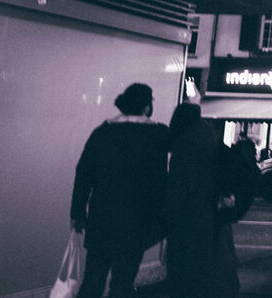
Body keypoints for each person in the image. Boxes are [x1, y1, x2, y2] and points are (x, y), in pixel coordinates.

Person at [70, 83, 169, 298]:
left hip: (101, 219)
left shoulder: (102, 132)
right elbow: (162, 180)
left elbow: (84, 174)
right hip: (136, 223)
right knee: (123, 283)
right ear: (146, 106)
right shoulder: (159, 135)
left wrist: (78, 212)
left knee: (93, 281)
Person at [166, 103, 239, 297]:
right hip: (214, 217)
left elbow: (178, 191)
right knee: (214, 268)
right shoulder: (213, 141)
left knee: (187, 272)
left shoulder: (183, 149)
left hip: (188, 221)